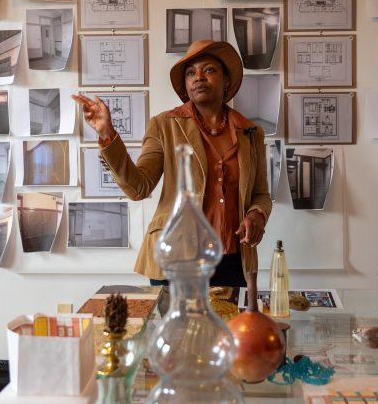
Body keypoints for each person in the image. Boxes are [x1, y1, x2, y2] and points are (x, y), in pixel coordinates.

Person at [72, 40, 271, 286]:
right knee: (171, 325)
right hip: (175, 258)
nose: (199, 77)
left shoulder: (251, 132)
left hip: (233, 260)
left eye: (209, 70)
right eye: (191, 73)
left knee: (228, 325)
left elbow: (261, 193)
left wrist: (257, 215)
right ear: (186, 87)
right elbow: (139, 187)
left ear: (226, 81)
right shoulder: (164, 125)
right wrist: (107, 133)